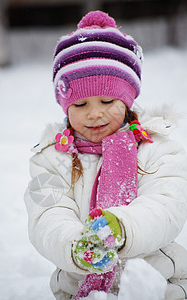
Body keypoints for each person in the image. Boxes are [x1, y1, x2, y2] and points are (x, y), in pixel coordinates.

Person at [24, 11, 187, 300]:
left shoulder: (156, 147)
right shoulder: (51, 158)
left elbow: (166, 205)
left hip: (159, 279)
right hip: (77, 283)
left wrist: (121, 228)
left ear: (127, 99)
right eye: (81, 103)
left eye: (108, 100)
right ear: (65, 107)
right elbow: (48, 215)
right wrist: (74, 246)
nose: (94, 113)